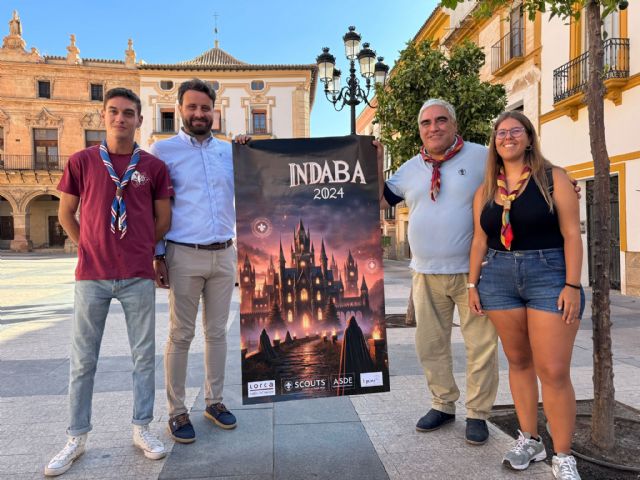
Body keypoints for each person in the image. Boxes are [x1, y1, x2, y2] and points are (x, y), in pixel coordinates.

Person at [46, 88, 173, 476]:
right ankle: (76, 437)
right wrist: (87, 244)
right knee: (83, 360)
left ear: (139, 120)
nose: (121, 118)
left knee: (142, 357)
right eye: (114, 112)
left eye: (129, 113)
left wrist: (140, 248)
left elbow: (163, 219)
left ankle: (142, 428)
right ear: (103, 116)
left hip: (137, 275)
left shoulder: (151, 167)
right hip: (92, 275)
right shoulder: (82, 161)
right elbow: (67, 212)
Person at [468, 111, 584, 480]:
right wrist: (473, 284)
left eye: (515, 131)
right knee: (518, 361)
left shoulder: (554, 179)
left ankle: (563, 454)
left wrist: (572, 285)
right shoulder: (486, 189)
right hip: (499, 277)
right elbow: (480, 239)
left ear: (530, 138)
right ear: (495, 143)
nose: (507, 137)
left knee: (552, 369)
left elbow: (571, 235)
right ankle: (530, 439)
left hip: (549, 273)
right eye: (500, 133)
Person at [376, 98, 499, 445]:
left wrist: (558, 181)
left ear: (454, 124)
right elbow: (377, 199)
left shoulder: (481, 156)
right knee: (430, 345)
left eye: (441, 120)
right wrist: (369, 158)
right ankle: (443, 404)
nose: (434, 128)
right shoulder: (411, 168)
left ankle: (478, 413)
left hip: (474, 273)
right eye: (426, 123)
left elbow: (524, 170)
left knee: (481, 346)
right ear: (420, 130)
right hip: (425, 273)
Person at [151, 79, 249, 444]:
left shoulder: (229, 153)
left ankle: (215, 401)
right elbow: (154, 206)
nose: (198, 114)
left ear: (214, 111)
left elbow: (254, 188)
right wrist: (157, 253)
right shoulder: (162, 152)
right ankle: (177, 411)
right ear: (180, 109)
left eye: (205, 108)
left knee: (217, 333)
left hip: (224, 253)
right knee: (180, 334)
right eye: (191, 107)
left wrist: (247, 151)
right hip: (182, 253)